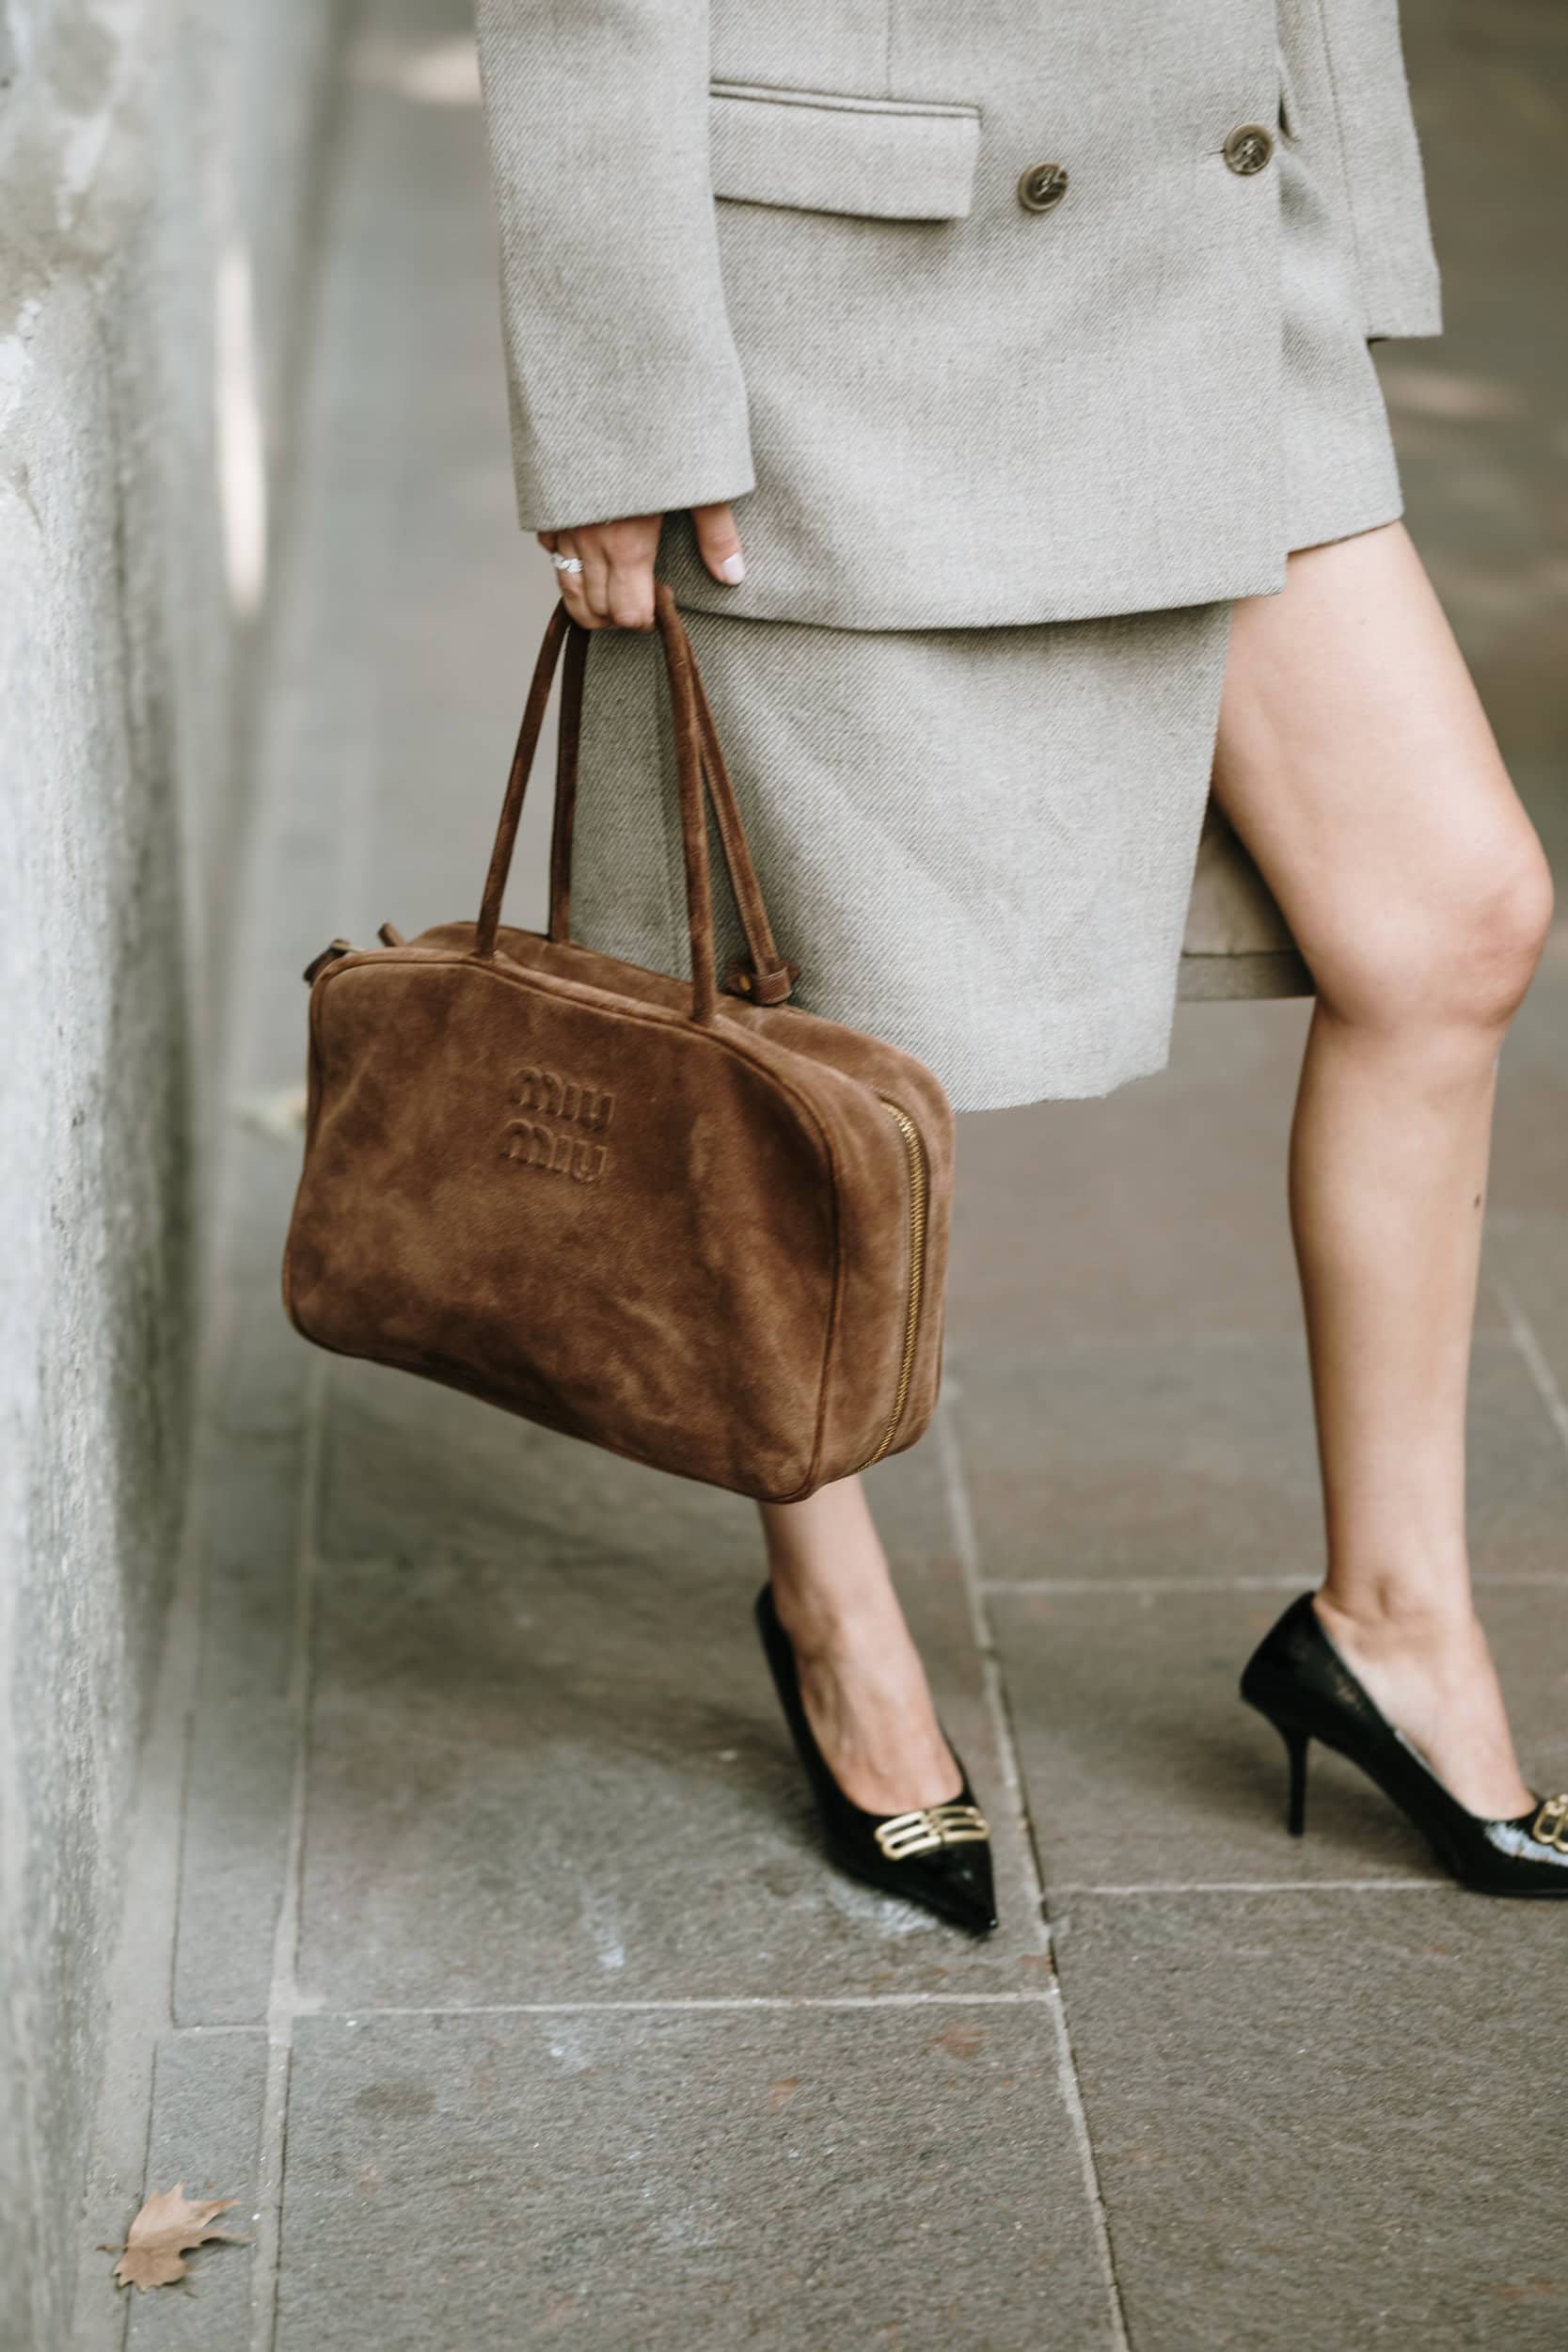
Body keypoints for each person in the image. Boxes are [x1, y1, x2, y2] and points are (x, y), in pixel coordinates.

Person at [472, 0, 1568, 1927]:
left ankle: (1393, 1621)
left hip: (1209, 231)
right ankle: (835, 1618)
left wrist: (1344, 183)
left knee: (1451, 915)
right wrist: (622, 390)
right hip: (856, 291)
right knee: (795, 1023)